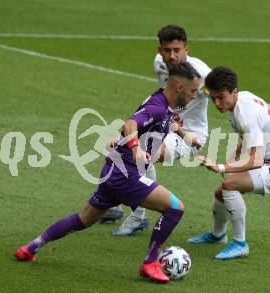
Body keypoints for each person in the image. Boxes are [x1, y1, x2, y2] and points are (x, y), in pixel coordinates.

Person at [14, 62, 201, 283]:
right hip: (125, 174)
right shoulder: (157, 107)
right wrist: (135, 149)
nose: (194, 96)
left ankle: (30, 247)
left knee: (83, 219)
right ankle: (150, 263)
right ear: (180, 87)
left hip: (114, 170)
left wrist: (185, 134)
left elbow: (157, 122)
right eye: (193, 91)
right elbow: (130, 124)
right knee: (175, 208)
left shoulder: (162, 102)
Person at [104, 25, 211, 237]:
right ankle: (113, 204)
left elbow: (224, 94)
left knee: (146, 154)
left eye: (177, 50)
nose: (172, 55)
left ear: (186, 49)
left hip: (190, 134)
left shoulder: (202, 74)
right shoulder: (159, 63)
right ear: (160, 49)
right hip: (164, 122)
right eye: (167, 50)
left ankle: (138, 216)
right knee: (113, 147)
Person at [187, 66, 270, 260]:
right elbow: (248, 139)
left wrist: (221, 167)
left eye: (221, 97)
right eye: (213, 98)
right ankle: (217, 236)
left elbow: (255, 160)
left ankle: (240, 244)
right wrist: (230, 162)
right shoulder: (240, 102)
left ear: (234, 92)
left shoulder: (245, 114)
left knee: (229, 186)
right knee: (221, 192)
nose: (216, 103)